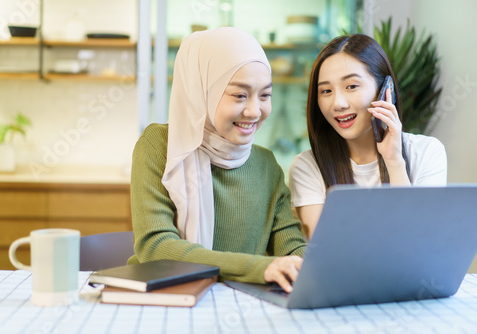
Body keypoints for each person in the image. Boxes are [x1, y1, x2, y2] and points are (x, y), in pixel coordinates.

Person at [127, 27, 307, 293]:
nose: (254, 110)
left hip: (238, 304)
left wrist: (313, 264)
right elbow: (156, 248)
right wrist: (259, 268)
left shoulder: (267, 164)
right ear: (203, 92)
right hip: (164, 299)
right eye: (239, 95)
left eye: (265, 95)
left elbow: (290, 246)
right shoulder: (160, 145)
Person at [289, 34, 447, 240]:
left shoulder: (427, 152)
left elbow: (421, 241)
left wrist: (394, 161)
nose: (338, 103)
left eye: (351, 86)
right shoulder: (308, 166)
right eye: (326, 91)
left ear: (384, 90)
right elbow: (323, 254)